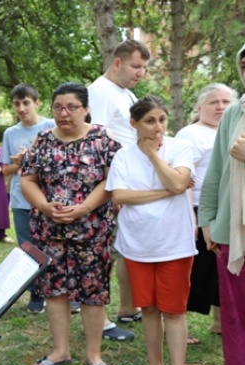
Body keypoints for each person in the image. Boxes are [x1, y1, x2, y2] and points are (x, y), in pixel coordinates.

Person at [20, 82, 118, 365]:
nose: (64, 113)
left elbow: (111, 178)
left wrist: (85, 207)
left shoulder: (102, 138)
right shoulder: (42, 141)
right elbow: (27, 179)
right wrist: (46, 206)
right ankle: (60, 350)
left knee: (92, 292)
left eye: (72, 107)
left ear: (86, 109)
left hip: (93, 230)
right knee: (55, 290)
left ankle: (93, 355)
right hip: (50, 229)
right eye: (58, 107)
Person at [106, 95, 195, 365]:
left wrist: (155, 157)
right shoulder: (123, 157)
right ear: (134, 124)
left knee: (174, 311)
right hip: (138, 245)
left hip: (174, 243)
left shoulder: (180, 147)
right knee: (149, 309)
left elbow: (179, 181)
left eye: (162, 119)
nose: (158, 127)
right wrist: (167, 190)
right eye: (150, 121)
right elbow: (120, 195)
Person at [89, 39, 151, 339]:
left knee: (124, 249)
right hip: (110, 184)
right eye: (136, 66)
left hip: (128, 181)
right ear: (118, 62)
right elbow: (97, 140)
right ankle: (100, 322)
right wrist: (112, 190)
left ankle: (128, 308)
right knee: (102, 253)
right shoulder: (100, 91)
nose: (141, 73)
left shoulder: (126, 92)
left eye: (144, 67)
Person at [198, 43, 245, 365]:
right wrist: (208, 220)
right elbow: (215, 170)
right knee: (233, 310)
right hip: (233, 228)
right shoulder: (235, 113)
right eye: (244, 63)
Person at [175, 83, 236, 343]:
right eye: (214, 102)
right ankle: (179, 324)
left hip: (228, 208)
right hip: (199, 208)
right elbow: (182, 176)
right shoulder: (189, 134)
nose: (220, 107)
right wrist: (193, 217)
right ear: (200, 107)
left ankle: (220, 323)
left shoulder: (235, 127)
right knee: (195, 270)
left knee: (221, 268)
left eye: (225, 101)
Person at [1, 83, 56, 313]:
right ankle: (36, 292)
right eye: (17, 104)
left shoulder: (51, 126)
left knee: (53, 245)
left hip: (49, 199)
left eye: (26, 102)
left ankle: (60, 291)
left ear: (37, 102)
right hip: (21, 200)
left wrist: (34, 158)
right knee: (28, 248)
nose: (22, 108)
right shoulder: (10, 133)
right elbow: (4, 170)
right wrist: (18, 164)